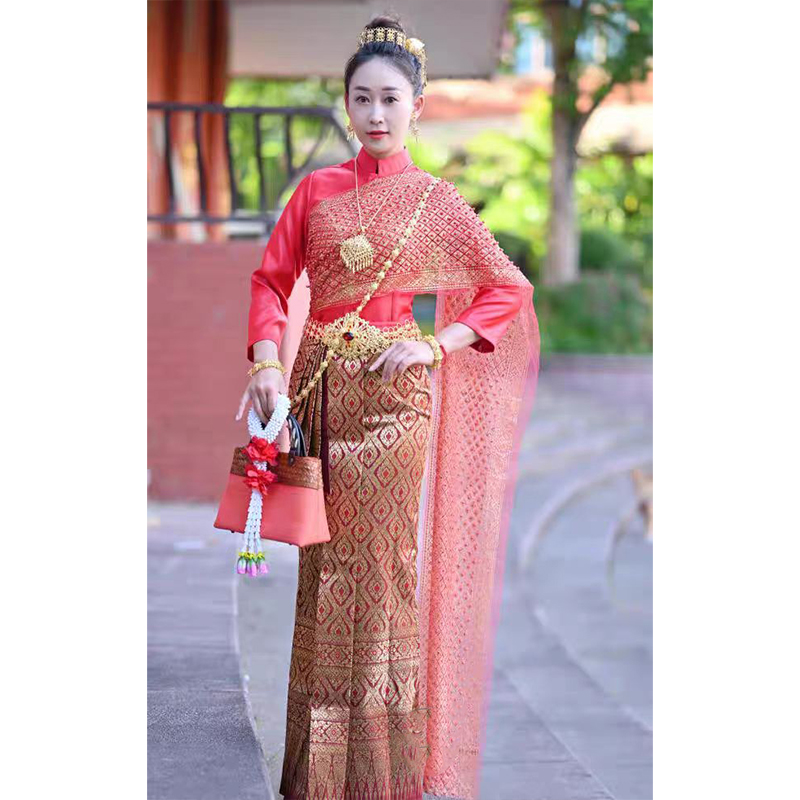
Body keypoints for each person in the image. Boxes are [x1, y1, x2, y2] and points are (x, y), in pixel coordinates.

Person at [235, 15, 540, 800]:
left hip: (393, 406)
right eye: (362, 99)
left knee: (379, 573)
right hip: (318, 401)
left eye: (391, 99)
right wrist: (266, 360)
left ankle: (381, 777)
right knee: (324, 573)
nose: (376, 114)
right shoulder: (316, 191)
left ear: (417, 107)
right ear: (346, 105)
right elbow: (271, 283)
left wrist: (437, 346)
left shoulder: (436, 203)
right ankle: (319, 774)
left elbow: (508, 287)